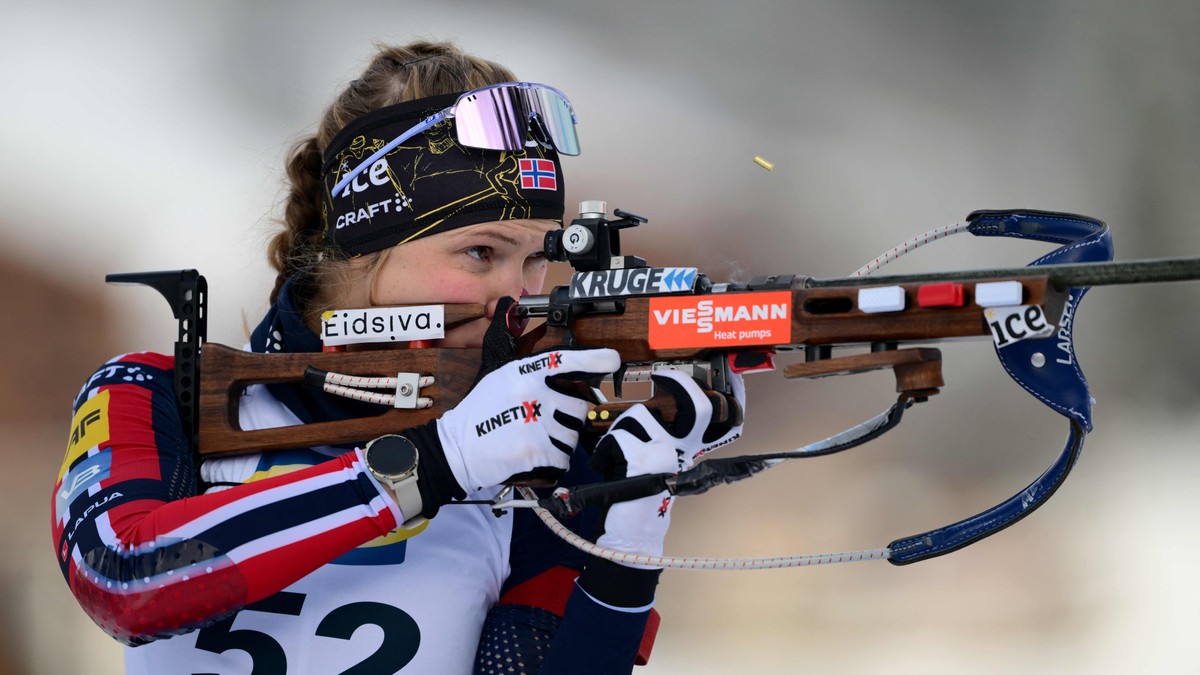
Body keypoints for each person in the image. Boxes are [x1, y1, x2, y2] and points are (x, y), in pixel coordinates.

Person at [52, 41, 742, 674]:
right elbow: (123, 576)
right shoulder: (159, 393)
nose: (519, 293)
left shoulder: (536, 454)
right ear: (362, 249)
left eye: (538, 259)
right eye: (481, 253)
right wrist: (431, 466)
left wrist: (625, 541)